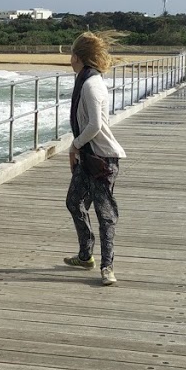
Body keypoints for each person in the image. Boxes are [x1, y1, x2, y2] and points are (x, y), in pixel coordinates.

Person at [64, 32, 126, 286]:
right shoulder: (88, 80)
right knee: (74, 202)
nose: (69, 58)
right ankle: (85, 255)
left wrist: (73, 146)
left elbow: (95, 125)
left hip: (102, 159)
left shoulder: (90, 84)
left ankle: (107, 267)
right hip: (89, 156)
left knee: (105, 214)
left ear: (76, 57)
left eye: (70, 54)